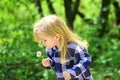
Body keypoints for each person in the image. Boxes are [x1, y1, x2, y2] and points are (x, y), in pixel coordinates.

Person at [33, 15, 92, 80]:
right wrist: (48, 63)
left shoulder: (74, 47)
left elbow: (86, 59)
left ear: (57, 37)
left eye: (45, 40)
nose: (43, 43)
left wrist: (73, 72)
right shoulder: (50, 50)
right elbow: (54, 62)